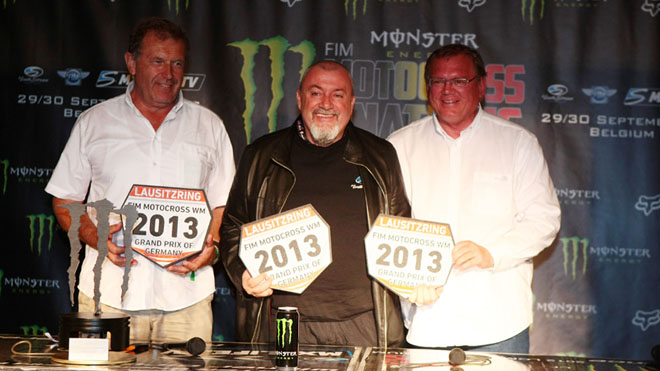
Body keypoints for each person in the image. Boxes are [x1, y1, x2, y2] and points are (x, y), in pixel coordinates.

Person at [45, 17, 235, 343]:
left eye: (177, 63)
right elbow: (64, 200)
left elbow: (223, 206)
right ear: (131, 63)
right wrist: (94, 235)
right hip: (107, 299)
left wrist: (212, 248)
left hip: (186, 302)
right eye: (158, 61)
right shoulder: (95, 123)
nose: (170, 73)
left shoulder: (210, 127)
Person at [219, 60, 410, 347]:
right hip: (283, 323)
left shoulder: (380, 156)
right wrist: (242, 274)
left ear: (352, 102)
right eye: (316, 93)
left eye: (338, 95)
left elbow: (401, 230)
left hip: (364, 325)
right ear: (299, 98)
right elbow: (232, 227)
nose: (326, 104)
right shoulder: (261, 155)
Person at [387, 44, 561, 353]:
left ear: (480, 85)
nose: (447, 89)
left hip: (498, 327)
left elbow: (543, 219)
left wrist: (491, 253)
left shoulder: (517, 143)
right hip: (427, 325)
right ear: (428, 88)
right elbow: (386, 228)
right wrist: (405, 280)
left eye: (459, 80)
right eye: (438, 81)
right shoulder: (399, 146)